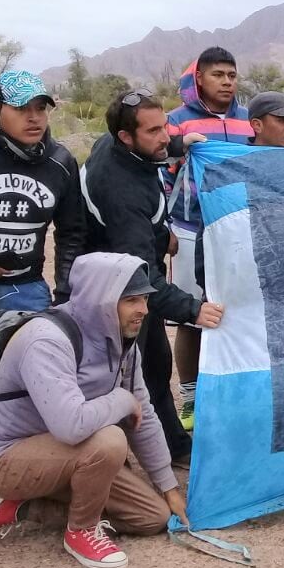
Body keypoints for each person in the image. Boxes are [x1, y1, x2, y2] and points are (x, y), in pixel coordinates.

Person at [0, 253, 189, 568]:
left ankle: (28, 507)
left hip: (67, 454)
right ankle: (81, 531)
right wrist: (123, 401)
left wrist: (169, 489)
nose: (143, 309)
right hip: (6, 457)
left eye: (144, 299)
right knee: (110, 440)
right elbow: (72, 425)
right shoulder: (46, 339)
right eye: (131, 300)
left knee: (151, 517)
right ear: (101, 300)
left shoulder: (122, 339)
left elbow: (146, 416)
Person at [81, 90, 225, 464]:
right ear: (125, 137)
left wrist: (178, 144)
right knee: (127, 378)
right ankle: (118, 460)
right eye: (154, 132)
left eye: (166, 127)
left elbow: (153, 164)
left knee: (156, 366)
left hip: (129, 280)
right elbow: (140, 273)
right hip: (113, 295)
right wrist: (193, 309)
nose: (164, 137)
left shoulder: (121, 148)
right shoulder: (120, 190)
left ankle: (172, 444)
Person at [163, 48, 251, 435]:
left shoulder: (248, 121)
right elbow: (158, 174)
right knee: (191, 314)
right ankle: (190, 397)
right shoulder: (174, 122)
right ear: (199, 79)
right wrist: (163, 225)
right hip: (190, 227)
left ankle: (231, 390)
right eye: (219, 75)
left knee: (236, 307)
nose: (228, 82)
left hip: (237, 227)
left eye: (232, 74)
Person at [0, 72, 86, 339]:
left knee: (31, 369)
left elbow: (72, 233)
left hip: (26, 289)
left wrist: (65, 295)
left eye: (40, 108)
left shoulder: (60, 162)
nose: (34, 117)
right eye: (21, 108)